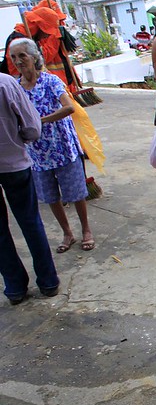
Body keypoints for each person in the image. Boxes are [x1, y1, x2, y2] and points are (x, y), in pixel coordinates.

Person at [9, 38, 95, 252]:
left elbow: (69, 108)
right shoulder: (16, 88)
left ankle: (86, 229)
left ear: (33, 57)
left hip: (63, 148)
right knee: (50, 196)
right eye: (13, 57)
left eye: (22, 56)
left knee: (76, 192)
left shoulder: (51, 81)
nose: (18, 61)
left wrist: (40, 121)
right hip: (37, 153)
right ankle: (67, 233)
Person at [0, 72, 60, 305]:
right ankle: (48, 281)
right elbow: (32, 127)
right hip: (13, 162)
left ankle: (14, 287)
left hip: (13, 163)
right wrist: (17, 138)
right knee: (30, 222)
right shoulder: (6, 83)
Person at [1, 7, 61, 77]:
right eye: (47, 31)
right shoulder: (19, 42)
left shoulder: (32, 38)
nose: (48, 35)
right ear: (39, 26)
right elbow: (20, 74)